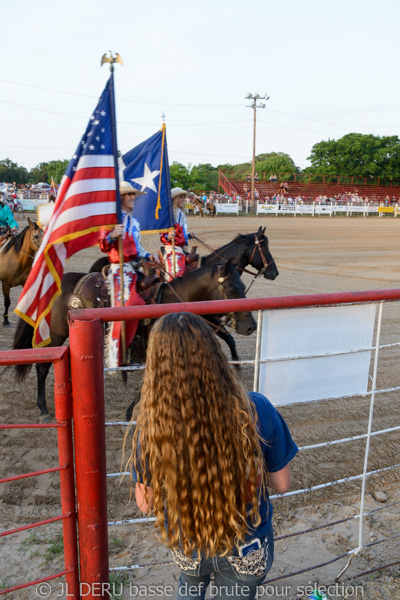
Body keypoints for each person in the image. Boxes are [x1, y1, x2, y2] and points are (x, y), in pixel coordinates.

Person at [128, 312, 298, 600]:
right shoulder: (257, 408)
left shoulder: (152, 424)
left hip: (187, 542)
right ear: (214, 354)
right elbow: (282, 483)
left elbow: (146, 503)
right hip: (247, 542)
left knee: (189, 591)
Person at [99, 180, 158, 369]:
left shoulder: (134, 221)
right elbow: (102, 245)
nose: (133, 198)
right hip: (119, 270)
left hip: (133, 269)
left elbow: (138, 247)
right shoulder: (110, 220)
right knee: (132, 305)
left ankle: (137, 346)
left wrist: (148, 254)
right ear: (121, 198)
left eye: (133, 195)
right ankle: (115, 356)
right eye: (129, 195)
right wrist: (112, 235)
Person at [160, 187, 196, 281]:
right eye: (181, 197)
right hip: (172, 248)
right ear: (175, 199)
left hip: (181, 248)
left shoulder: (181, 214)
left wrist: (189, 235)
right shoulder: (167, 215)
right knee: (175, 276)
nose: (184, 199)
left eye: (184, 197)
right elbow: (163, 237)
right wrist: (168, 236)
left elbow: (181, 234)